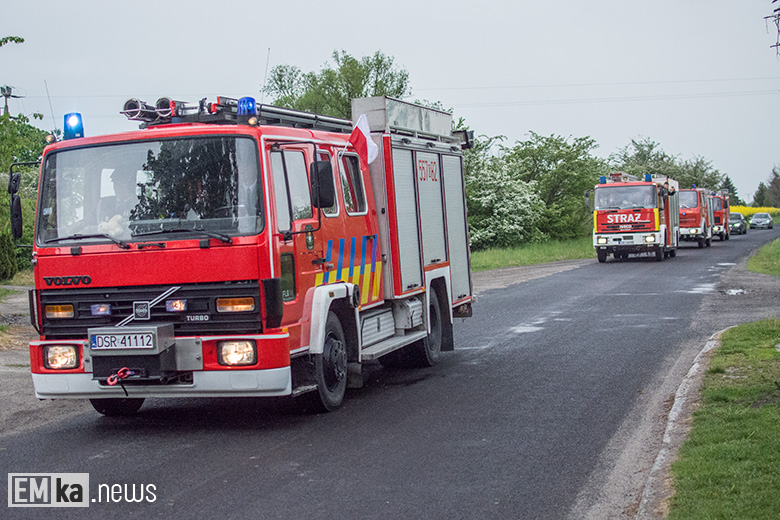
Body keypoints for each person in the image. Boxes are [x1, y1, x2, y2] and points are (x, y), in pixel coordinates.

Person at [97, 168, 139, 236]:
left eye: (121, 184)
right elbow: (89, 222)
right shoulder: (104, 203)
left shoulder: (141, 205)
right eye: (115, 183)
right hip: (106, 240)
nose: (117, 187)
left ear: (130, 185)